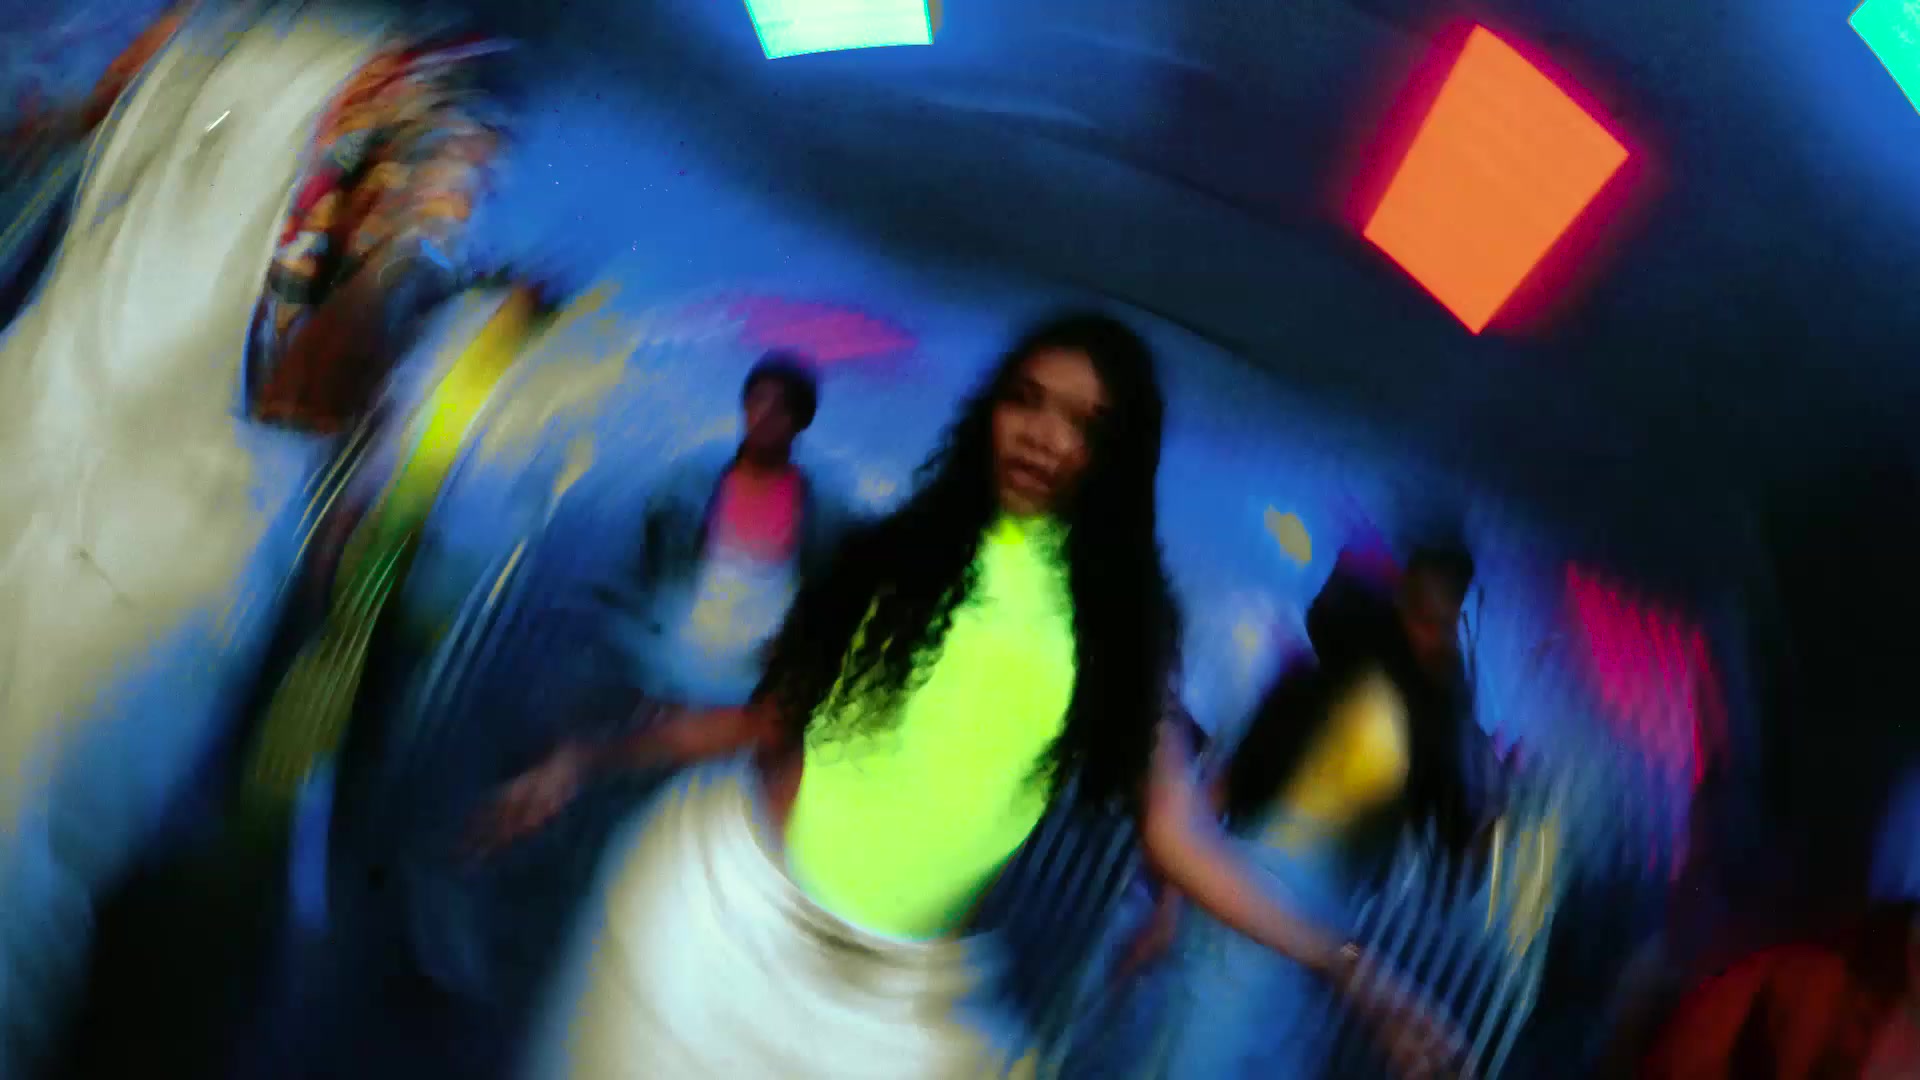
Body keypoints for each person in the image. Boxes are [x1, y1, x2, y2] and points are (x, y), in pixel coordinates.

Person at [481, 312, 1459, 1079]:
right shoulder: (893, 558)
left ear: (1116, 454)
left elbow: (1178, 835)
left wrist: (1352, 971)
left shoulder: (1121, 629)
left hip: (891, 1014)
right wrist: (586, 757)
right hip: (722, 928)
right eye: (1025, 401)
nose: (1043, 435)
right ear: (990, 411)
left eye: (1083, 423)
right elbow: (764, 720)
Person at [0, 3, 510, 1074]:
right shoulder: (414, 108)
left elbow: (68, 132)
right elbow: (309, 389)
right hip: (144, 533)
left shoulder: (217, 34)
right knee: (24, 861)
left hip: (67, 461)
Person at [1117, 540, 1499, 1077]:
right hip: (1247, 895)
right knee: (1200, 1052)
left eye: (1442, 619)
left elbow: (1465, 849)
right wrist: (1168, 909)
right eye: (1421, 609)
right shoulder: (1319, 684)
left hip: (1312, 921)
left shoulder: (1435, 726)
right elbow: (1211, 798)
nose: (1427, 632)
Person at [601, 351, 857, 709]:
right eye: (758, 401)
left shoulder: (824, 511)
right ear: (744, 406)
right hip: (679, 657)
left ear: (801, 422)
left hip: (756, 676)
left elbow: (831, 591)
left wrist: (795, 645)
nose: (765, 415)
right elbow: (646, 566)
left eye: (782, 408)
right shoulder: (690, 488)